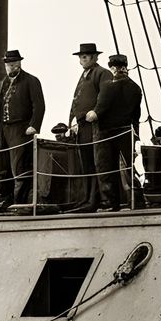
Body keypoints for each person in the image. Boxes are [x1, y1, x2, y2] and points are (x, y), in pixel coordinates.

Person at [86, 53, 143, 212]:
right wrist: (136, 134)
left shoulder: (108, 86)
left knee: (106, 169)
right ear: (125, 67)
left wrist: (90, 114)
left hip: (106, 133)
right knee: (128, 167)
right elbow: (136, 115)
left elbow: (99, 110)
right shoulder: (135, 88)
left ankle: (110, 204)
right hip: (127, 131)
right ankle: (137, 201)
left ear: (112, 68)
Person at [0, 49, 46, 206]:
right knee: (2, 166)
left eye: (13, 64)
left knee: (20, 166)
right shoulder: (4, 82)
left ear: (19, 64)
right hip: (4, 129)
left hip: (21, 129)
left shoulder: (31, 81)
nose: (10, 67)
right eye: (8, 65)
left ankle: (20, 202)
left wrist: (34, 125)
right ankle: (5, 199)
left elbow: (39, 105)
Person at [68, 42, 113, 212]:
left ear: (95, 57)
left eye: (85, 56)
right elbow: (76, 100)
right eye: (80, 57)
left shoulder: (103, 73)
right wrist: (71, 121)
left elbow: (106, 97)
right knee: (86, 163)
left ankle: (101, 200)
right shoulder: (84, 75)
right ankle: (88, 199)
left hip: (95, 126)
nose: (82, 60)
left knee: (98, 163)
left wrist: (96, 112)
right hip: (81, 127)